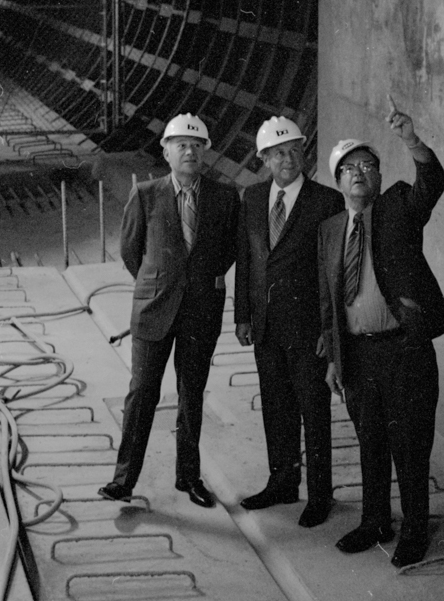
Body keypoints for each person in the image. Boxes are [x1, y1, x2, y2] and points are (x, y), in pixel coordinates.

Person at [317, 96, 444, 566]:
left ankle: (415, 531)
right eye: (349, 168)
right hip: (357, 355)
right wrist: (334, 356)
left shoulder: (396, 207)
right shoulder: (331, 229)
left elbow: (430, 184)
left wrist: (411, 141)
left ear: (377, 176)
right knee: (370, 443)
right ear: (337, 182)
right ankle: (375, 520)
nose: (359, 173)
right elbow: (329, 299)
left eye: (368, 166)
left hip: (403, 351)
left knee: (410, 446)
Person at [99, 113, 240, 507]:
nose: (189, 151)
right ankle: (123, 481)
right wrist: (160, 282)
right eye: (181, 145)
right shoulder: (146, 194)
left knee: (190, 395)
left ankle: (188, 477)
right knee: (142, 393)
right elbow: (131, 251)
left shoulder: (224, 197)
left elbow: (228, 249)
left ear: (205, 152)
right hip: (153, 310)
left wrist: (197, 279)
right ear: (166, 152)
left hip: (200, 312)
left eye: (196, 145)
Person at [234, 117, 343, 527]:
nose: (288, 159)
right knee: (276, 407)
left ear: (304, 153)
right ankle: (282, 482)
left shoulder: (325, 201)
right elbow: (248, 260)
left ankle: (320, 495)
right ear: (263, 158)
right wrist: (243, 315)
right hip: (266, 326)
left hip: (307, 328)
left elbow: (332, 271)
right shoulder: (253, 197)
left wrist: (328, 332)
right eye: (278, 153)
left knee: (313, 411)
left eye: (295, 150)